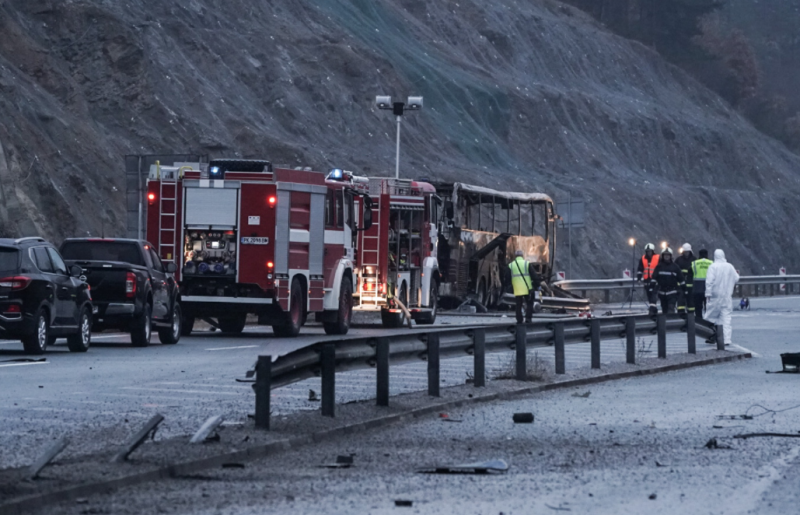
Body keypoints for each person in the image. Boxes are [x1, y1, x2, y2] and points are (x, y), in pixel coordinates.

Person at [705, 249, 740, 345]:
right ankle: (726, 339)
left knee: (710, 317)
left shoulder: (713, 267)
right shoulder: (730, 266)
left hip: (715, 297)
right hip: (727, 297)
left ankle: (711, 336)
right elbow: (736, 278)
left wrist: (708, 294)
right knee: (726, 318)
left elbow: (709, 282)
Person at [509, 249, 541, 324]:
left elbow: (507, 277)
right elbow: (534, 275)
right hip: (527, 288)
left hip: (517, 289)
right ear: (522, 256)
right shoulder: (526, 264)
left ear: (515, 256)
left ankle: (519, 319)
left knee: (518, 304)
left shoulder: (511, 265)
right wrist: (537, 285)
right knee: (529, 303)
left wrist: (509, 287)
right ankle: (528, 318)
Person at [651, 248, 685, 314]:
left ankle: (671, 319)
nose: (666, 256)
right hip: (662, 293)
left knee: (671, 309)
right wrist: (651, 286)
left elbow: (681, 278)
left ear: (670, 256)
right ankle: (665, 320)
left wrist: (684, 288)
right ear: (663, 256)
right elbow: (654, 277)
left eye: (668, 255)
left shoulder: (675, 267)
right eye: (665, 255)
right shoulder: (659, 267)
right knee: (664, 310)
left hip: (672, 292)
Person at [637, 243, 660, 316]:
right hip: (647, 280)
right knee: (649, 295)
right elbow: (640, 269)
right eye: (647, 251)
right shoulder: (643, 259)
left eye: (650, 251)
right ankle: (654, 309)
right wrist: (639, 278)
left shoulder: (658, 258)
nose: (649, 252)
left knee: (654, 294)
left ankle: (652, 309)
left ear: (653, 251)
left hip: (656, 280)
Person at [691, 249, 713, 320]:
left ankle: (699, 321)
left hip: (697, 289)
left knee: (698, 308)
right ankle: (708, 322)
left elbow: (690, 275)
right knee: (708, 308)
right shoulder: (711, 263)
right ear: (707, 255)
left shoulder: (694, 263)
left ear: (699, 255)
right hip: (708, 289)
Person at [675, 243, 696, 315]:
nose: (686, 253)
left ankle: (691, 317)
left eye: (687, 252)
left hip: (691, 285)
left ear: (690, 251)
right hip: (680, 285)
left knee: (691, 303)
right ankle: (681, 316)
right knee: (680, 302)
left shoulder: (694, 260)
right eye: (685, 252)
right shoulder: (678, 260)